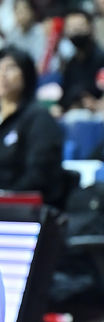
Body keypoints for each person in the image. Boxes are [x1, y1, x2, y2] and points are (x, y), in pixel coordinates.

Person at [0, 47, 66, 206]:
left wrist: (8, 195)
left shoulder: (39, 118)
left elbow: (40, 175)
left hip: (24, 206)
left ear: (26, 74)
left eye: (10, 68)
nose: (2, 74)